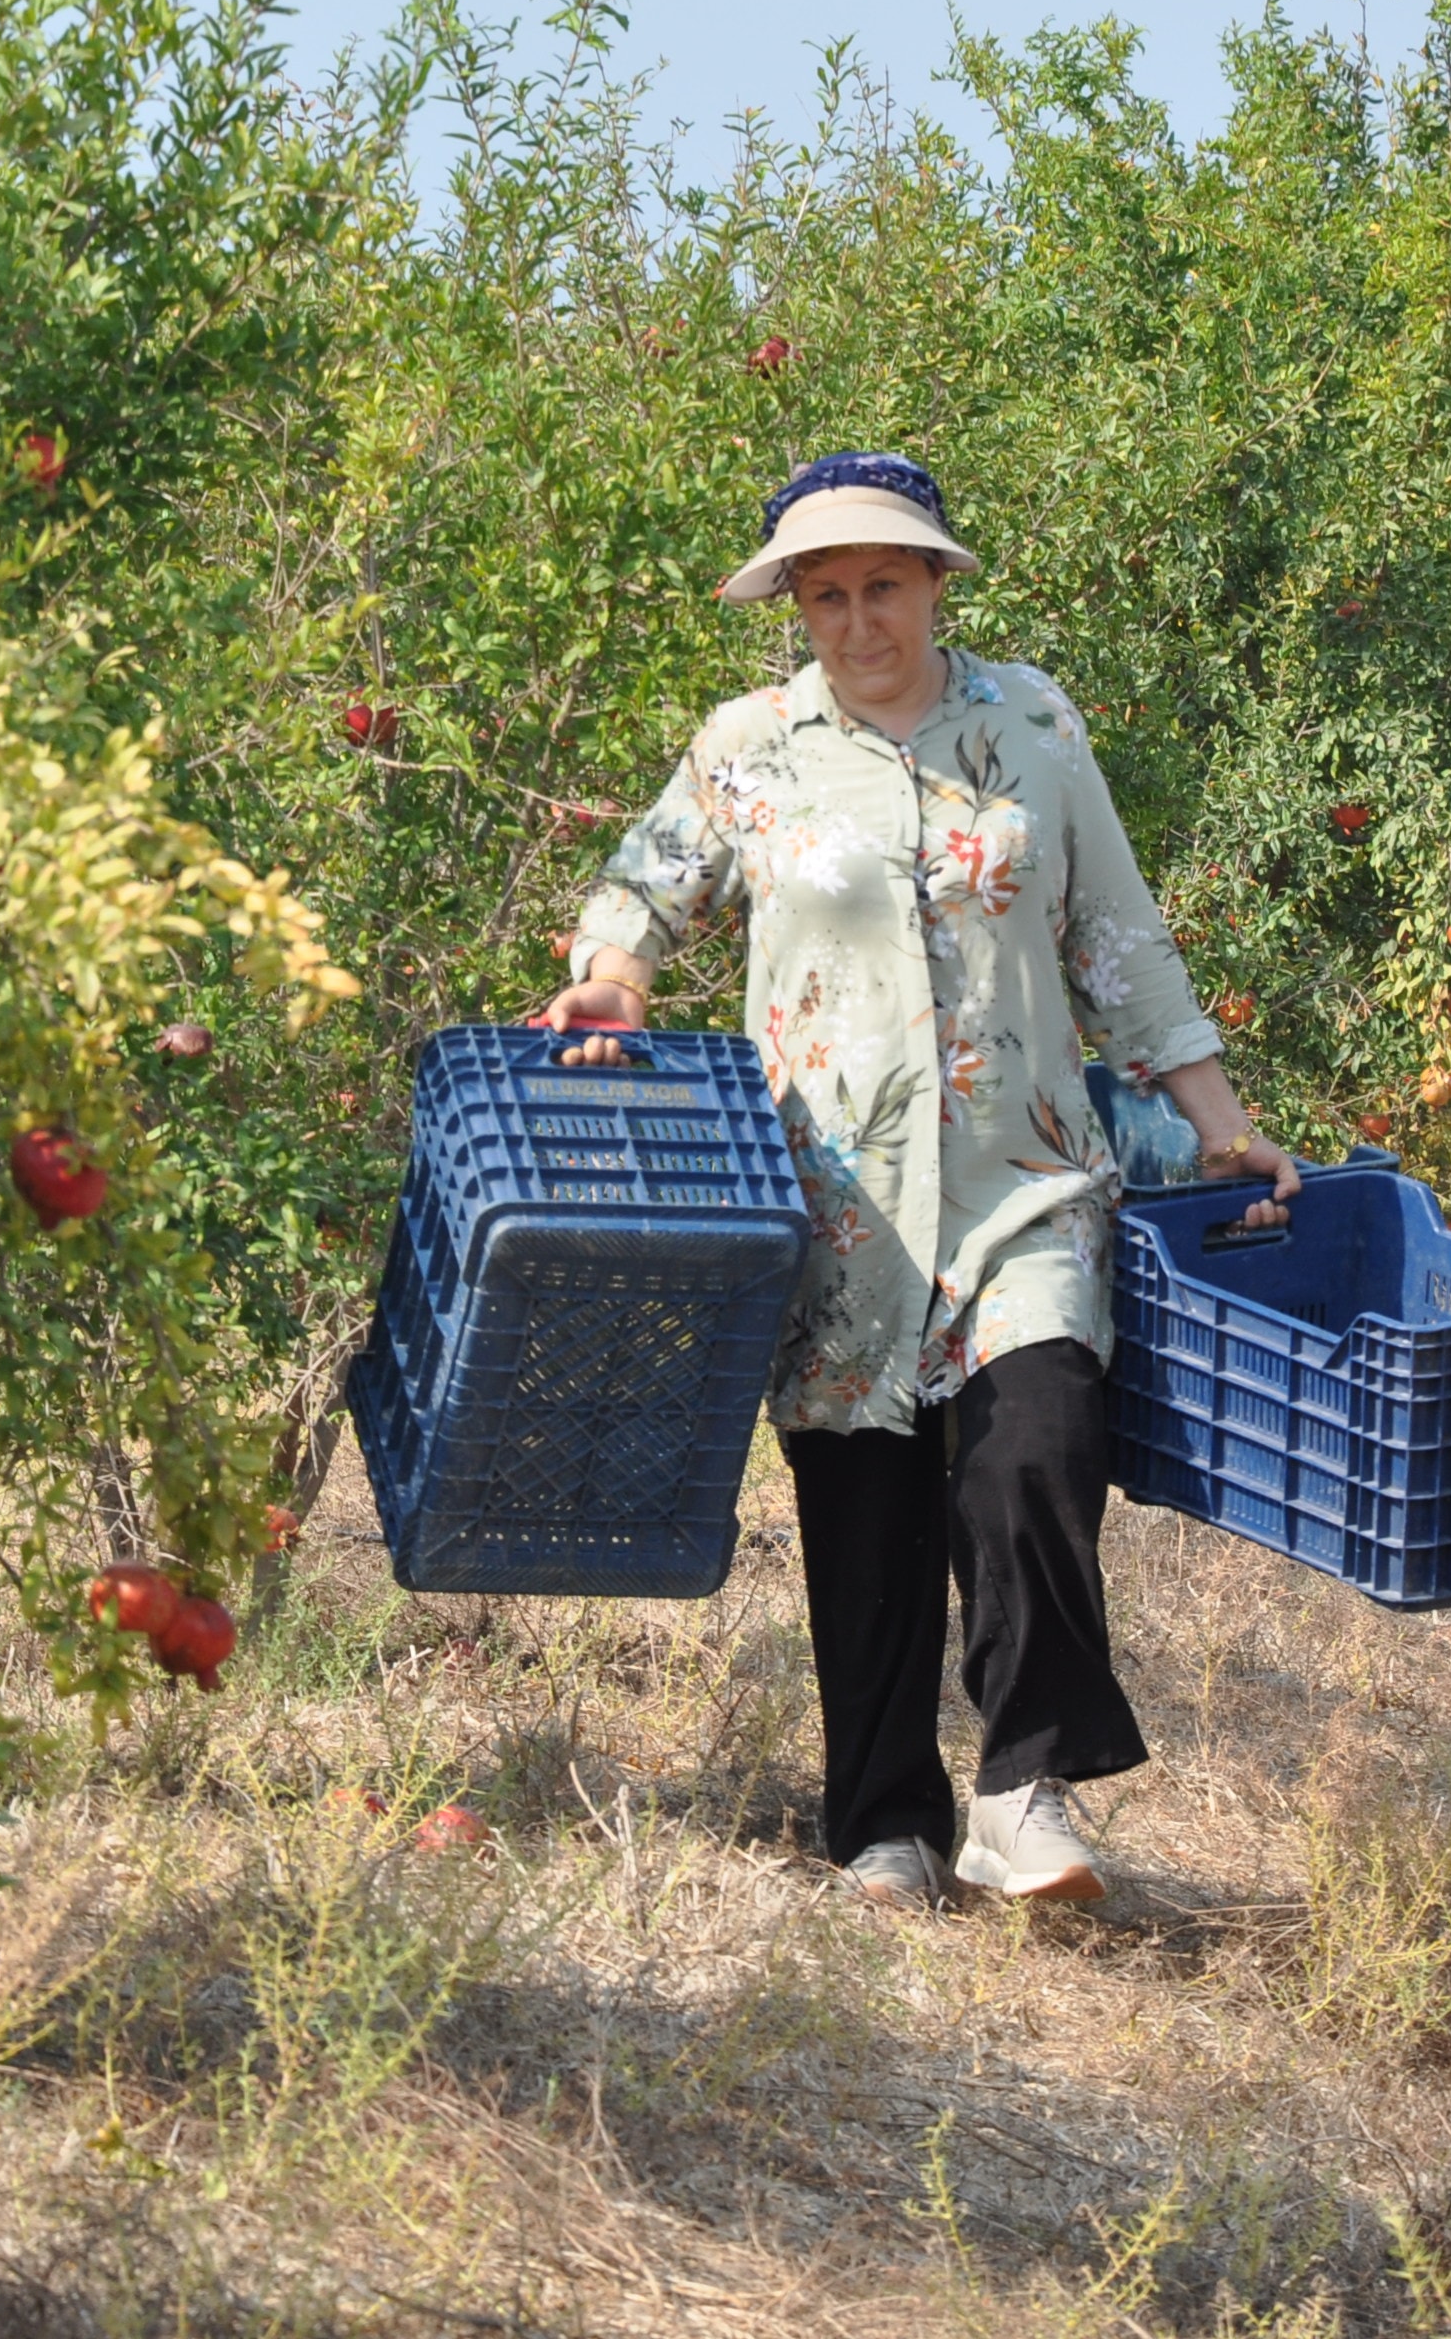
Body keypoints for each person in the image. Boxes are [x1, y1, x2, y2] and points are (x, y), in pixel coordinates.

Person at [547, 450, 1301, 1908]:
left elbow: (1117, 940)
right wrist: (614, 979)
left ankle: (1026, 1789)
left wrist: (1216, 1120)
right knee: (863, 1514)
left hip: (1023, 1175)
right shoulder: (749, 745)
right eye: (823, 595)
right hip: (835, 1199)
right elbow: (643, 887)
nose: (855, 620)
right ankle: (883, 1820)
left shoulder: (1028, 721)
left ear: (938, 582)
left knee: (1036, 1454)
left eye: (882, 584)